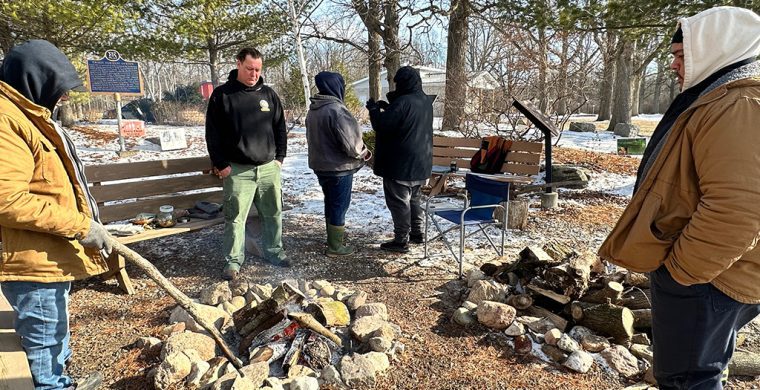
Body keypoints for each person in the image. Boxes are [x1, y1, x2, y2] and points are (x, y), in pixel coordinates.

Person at [598, 6, 760, 389]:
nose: (672, 65)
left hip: (710, 277)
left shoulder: (738, 105)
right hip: (714, 272)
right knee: (694, 374)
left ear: (718, 49)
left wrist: (682, 273)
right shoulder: (719, 97)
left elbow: (740, 208)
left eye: (682, 55)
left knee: (687, 380)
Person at [0, 40, 111, 390]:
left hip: (48, 251)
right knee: (44, 337)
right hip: (31, 259)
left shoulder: (27, 115)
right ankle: (53, 386)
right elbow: (8, 200)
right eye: (58, 88)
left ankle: (61, 381)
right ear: (35, 80)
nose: (62, 98)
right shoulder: (7, 122)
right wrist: (80, 225)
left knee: (52, 328)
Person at [205, 47, 288, 279]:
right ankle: (233, 262)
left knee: (273, 213)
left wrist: (280, 158)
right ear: (238, 64)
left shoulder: (269, 95)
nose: (254, 73)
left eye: (258, 69)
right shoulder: (222, 95)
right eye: (250, 68)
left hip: (268, 168)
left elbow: (280, 127)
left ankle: (274, 252)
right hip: (237, 170)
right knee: (235, 218)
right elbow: (212, 133)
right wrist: (221, 164)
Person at [366, 66, 433, 253]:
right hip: (421, 162)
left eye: (397, 83)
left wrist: (373, 110)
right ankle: (417, 234)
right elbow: (407, 119)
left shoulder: (402, 102)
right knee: (414, 200)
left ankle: (401, 240)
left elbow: (381, 125)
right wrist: (387, 107)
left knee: (399, 202)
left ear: (402, 83)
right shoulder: (425, 101)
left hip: (400, 163)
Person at [305, 71, 371, 257]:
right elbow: (352, 145)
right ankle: (336, 247)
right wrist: (364, 153)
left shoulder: (314, 109)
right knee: (339, 205)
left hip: (320, 166)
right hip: (339, 168)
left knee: (331, 202)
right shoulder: (337, 110)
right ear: (336, 86)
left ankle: (332, 239)